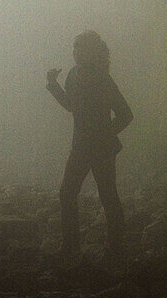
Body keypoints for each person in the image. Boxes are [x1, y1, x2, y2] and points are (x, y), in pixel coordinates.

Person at [46, 30, 133, 261]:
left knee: (107, 196)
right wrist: (53, 85)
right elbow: (71, 106)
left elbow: (126, 114)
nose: (75, 53)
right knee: (68, 193)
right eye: (74, 48)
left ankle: (114, 246)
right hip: (83, 147)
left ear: (91, 52)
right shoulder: (73, 75)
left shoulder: (102, 79)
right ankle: (71, 246)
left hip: (99, 149)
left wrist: (104, 134)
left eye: (80, 48)